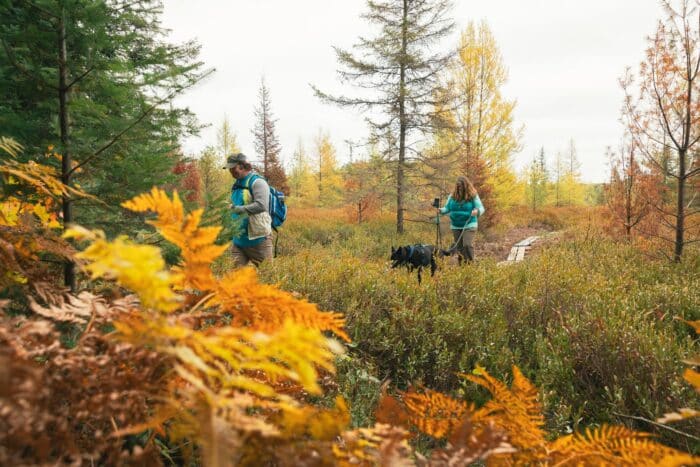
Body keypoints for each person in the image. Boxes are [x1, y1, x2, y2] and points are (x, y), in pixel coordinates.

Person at [224, 152, 273, 267]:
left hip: (259, 240)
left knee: (267, 278)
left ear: (242, 166)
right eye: (229, 169)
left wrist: (235, 209)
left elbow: (261, 205)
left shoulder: (258, 182)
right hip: (238, 241)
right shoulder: (236, 185)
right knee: (236, 280)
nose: (230, 171)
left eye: (233, 168)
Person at [437, 176, 485, 263]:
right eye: (458, 187)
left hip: (469, 224)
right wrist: (440, 210)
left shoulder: (473, 196)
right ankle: (462, 266)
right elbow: (447, 208)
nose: (459, 189)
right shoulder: (452, 196)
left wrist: (476, 211)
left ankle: (470, 265)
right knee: (459, 248)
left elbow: (481, 208)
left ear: (466, 186)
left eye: (461, 187)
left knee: (466, 245)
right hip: (456, 226)